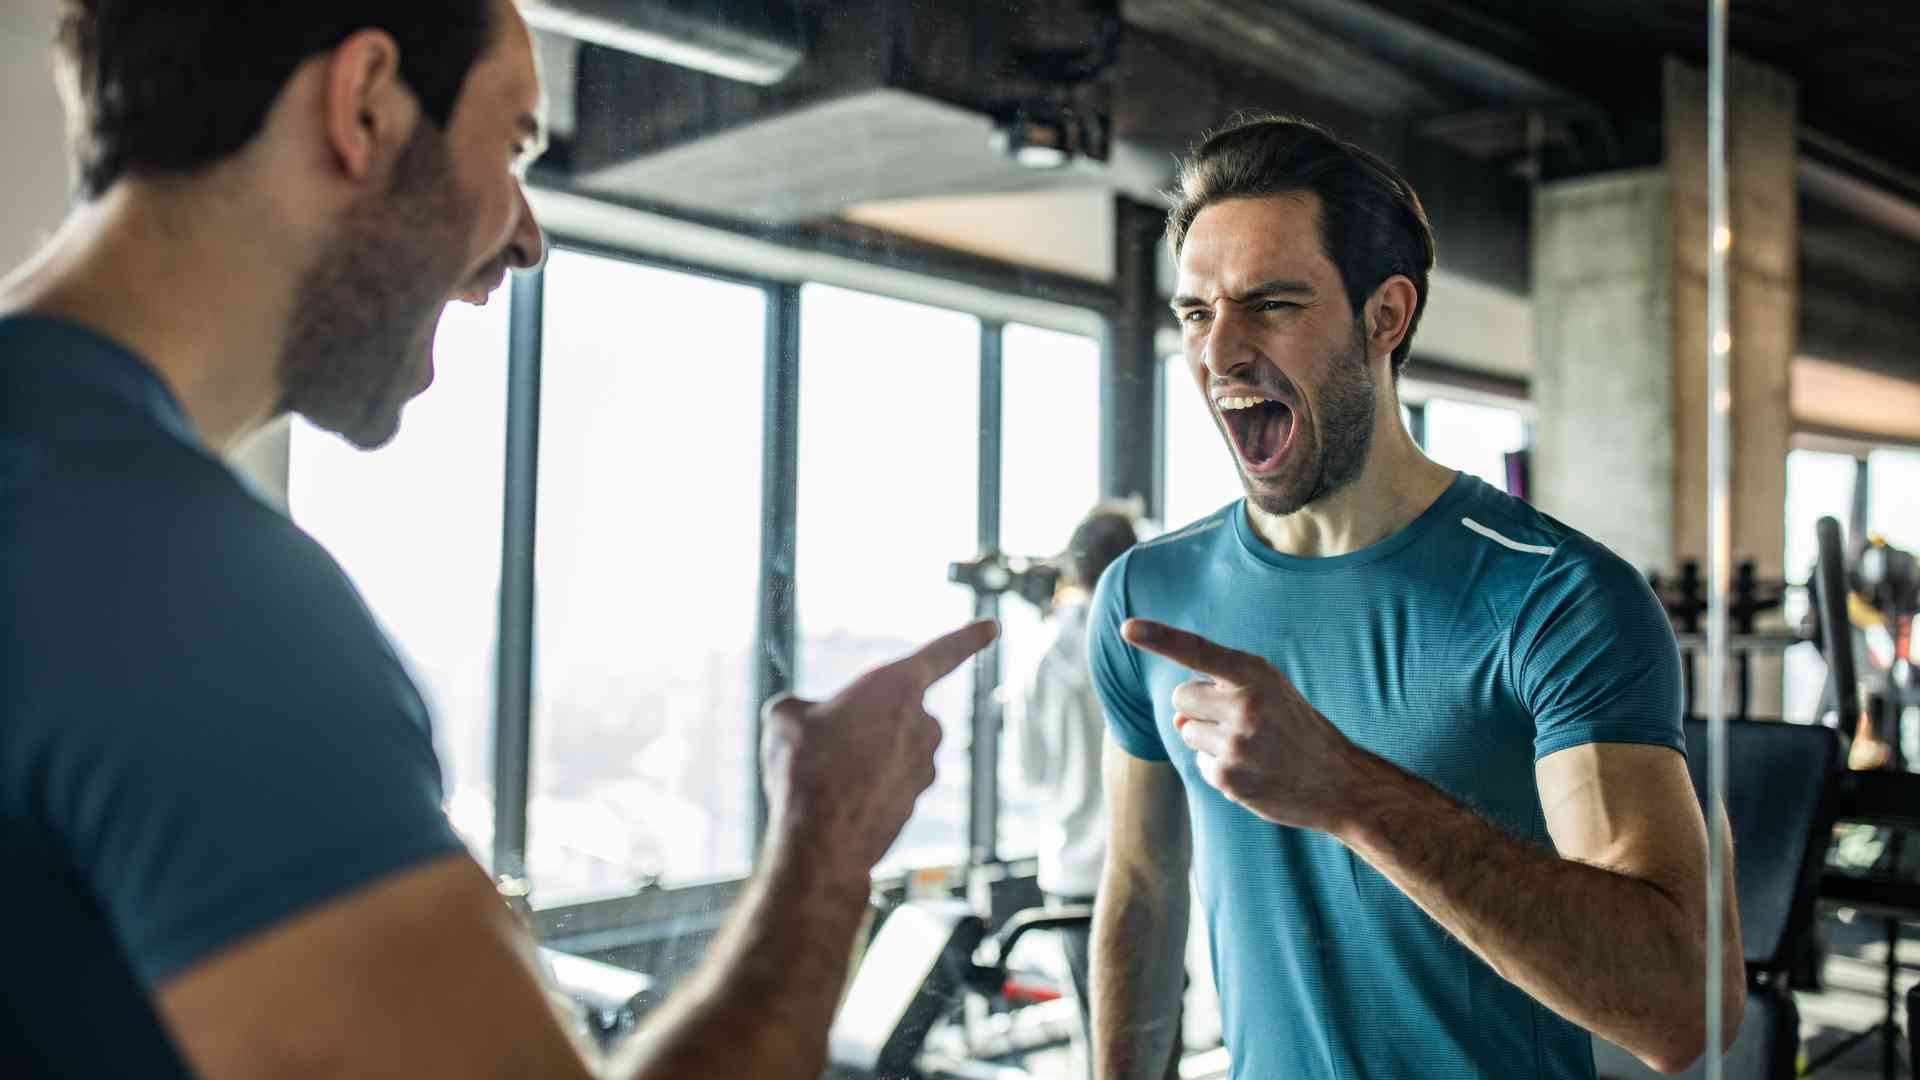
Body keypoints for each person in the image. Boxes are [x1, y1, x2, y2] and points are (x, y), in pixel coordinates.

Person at [0, 3, 993, 1077]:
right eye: (513, 145)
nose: (527, 236)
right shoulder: (185, 592)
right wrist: (827, 852)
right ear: (367, 104)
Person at [1086, 114, 1743, 1080]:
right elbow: (1142, 893)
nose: (1218, 353)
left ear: (1385, 316)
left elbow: (1684, 1009)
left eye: (1270, 304)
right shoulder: (1149, 595)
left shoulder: (1553, 597)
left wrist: (1350, 793)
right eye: (1195, 313)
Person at [1005, 503, 1141, 1075]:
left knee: (1098, 1030)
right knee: (1157, 1019)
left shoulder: (1036, 657)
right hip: (1140, 867)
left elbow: (1026, 774)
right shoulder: (1144, 644)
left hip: (1071, 873)